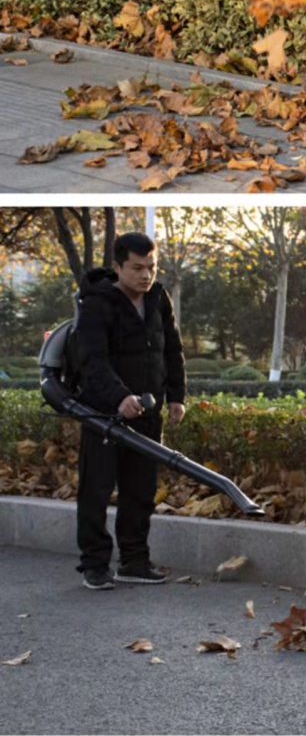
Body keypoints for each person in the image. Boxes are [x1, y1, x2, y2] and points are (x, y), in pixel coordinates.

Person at [75, 232, 186, 589]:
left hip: (148, 414)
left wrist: (176, 396)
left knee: (141, 490)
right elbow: (92, 361)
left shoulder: (158, 297)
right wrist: (119, 397)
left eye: (151, 267)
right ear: (118, 266)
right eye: (137, 268)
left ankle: (134, 561)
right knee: (97, 490)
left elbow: (172, 350)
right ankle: (94, 565)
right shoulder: (97, 304)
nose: (146, 275)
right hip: (104, 415)